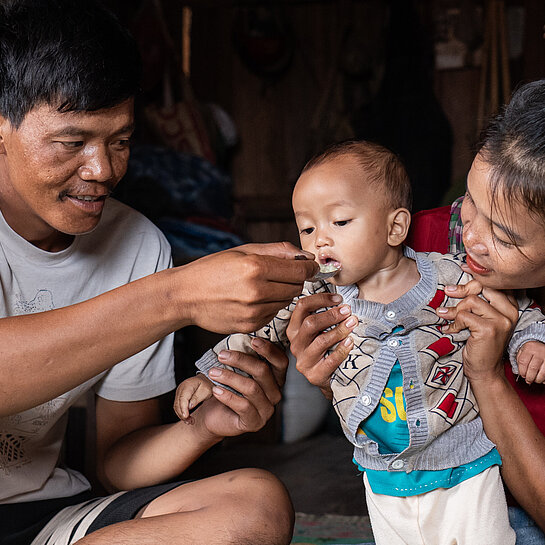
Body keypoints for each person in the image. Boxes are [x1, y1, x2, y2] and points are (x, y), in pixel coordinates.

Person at [0, 2, 320, 544]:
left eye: (120, 141)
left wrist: (200, 429)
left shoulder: (136, 244)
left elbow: (115, 467)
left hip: (43, 516)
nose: (102, 171)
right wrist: (175, 297)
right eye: (72, 143)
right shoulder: (162, 288)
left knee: (255, 507)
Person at [175, 139, 545, 544]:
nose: (321, 241)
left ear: (395, 227)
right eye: (308, 228)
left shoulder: (448, 276)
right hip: (382, 472)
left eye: (340, 222)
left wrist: (530, 342)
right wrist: (212, 376)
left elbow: (511, 307)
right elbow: (254, 331)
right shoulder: (313, 298)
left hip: (464, 463)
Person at [286, 79, 545, 544]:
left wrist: (485, 375)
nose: (470, 237)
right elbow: (379, 394)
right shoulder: (409, 245)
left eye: (505, 237)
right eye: (469, 204)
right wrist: (332, 377)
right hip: (407, 487)